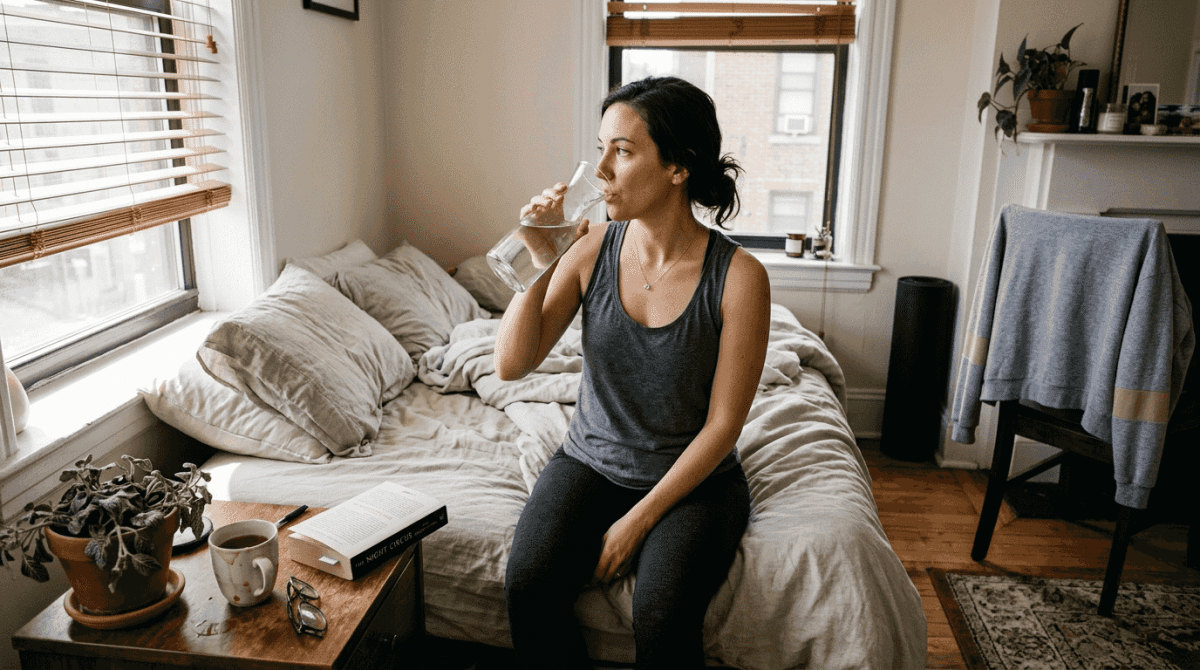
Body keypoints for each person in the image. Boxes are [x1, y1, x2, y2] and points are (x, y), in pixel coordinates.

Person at [497, 76, 771, 669]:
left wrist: (635, 524)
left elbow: (724, 427)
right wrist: (541, 262)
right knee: (528, 587)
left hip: (694, 481)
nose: (600, 170)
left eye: (621, 151)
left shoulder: (741, 276)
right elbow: (511, 364)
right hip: (590, 462)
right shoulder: (591, 248)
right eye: (600, 148)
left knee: (663, 613)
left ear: (678, 167)